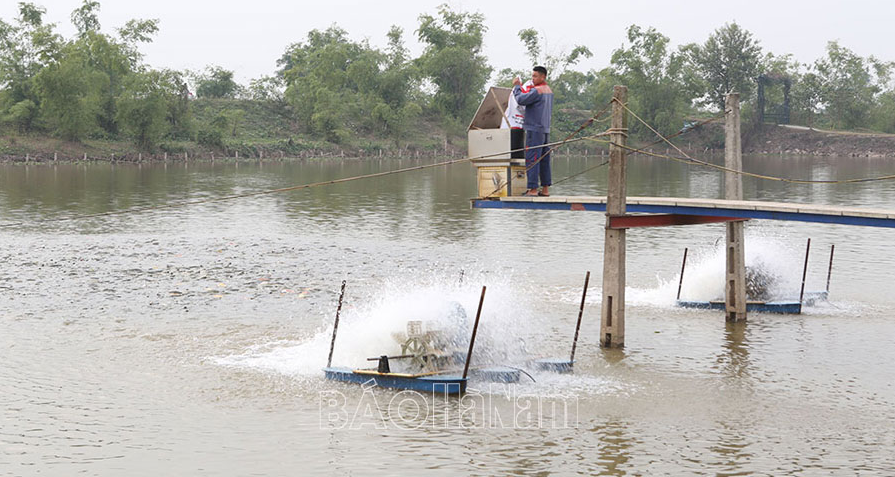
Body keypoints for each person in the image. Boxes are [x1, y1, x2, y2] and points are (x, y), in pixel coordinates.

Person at [513, 66, 554, 196]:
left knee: (532, 158)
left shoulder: (537, 91)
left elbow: (520, 99)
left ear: (543, 77)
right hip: (545, 129)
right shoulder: (549, 90)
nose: (533, 79)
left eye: (535, 76)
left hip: (534, 129)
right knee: (544, 159)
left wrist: (517, 87)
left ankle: (533, 189)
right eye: (532, 76)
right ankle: (545, 189)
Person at [502, 79, 532, 159]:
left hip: (519, 127)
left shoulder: (521, 92)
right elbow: (520, 103)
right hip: (511, 127)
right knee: (512, 155)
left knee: (518, 156)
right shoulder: (518, 93)